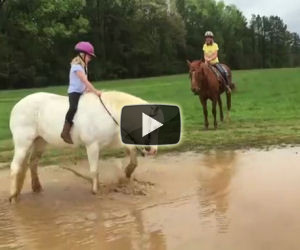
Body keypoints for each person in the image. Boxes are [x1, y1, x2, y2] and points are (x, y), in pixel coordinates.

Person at [61, 41, 102, 144]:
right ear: (82, 55)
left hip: (82, 91)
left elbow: (83, 84)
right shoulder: (77, 67)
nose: (90, 59)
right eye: (89, 57)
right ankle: (65, 131)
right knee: (73, 107)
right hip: (74, 92)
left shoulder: (84, 67)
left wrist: (87, 90)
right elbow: (84, 80)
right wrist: (95, 91)